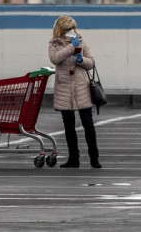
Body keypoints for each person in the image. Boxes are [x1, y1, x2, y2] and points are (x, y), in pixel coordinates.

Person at [48, 16, 100, 169]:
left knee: (88, 123)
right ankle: (73, 159)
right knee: (68, 125)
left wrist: (80, 59)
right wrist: (71, 47)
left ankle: (94, 158)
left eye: (73, 28)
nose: (72, 31)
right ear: (61, 29)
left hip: (81, 86)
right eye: (68, 29)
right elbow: (55, 58)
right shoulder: (54, 43)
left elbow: (91, 63)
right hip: (64, 87)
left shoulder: (81, 40)